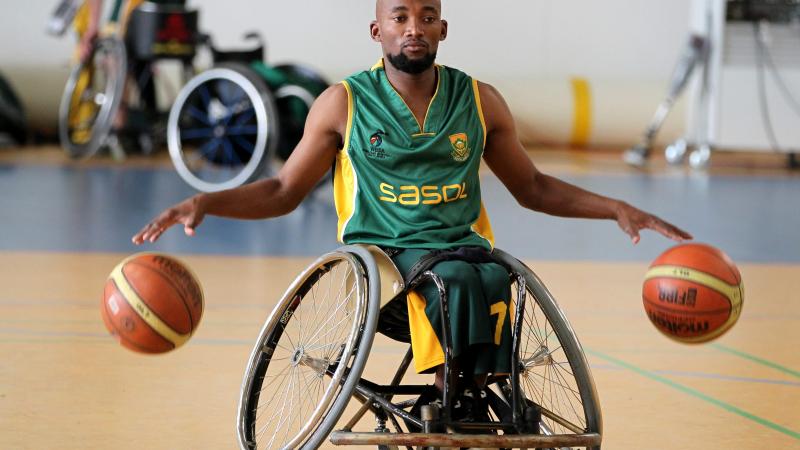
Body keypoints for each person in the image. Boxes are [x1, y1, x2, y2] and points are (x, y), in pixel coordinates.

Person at [133, 0, 692, 424]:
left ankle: (474, 391)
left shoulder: (479, 100)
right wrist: (207, 201)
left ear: (442, 30)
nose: (413, 28)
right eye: (399, 17)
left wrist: (615, 208)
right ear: (377, 31)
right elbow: (283, 189)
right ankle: (457, 398)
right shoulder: (343, 103)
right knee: (450, 278)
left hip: (462, 252)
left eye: (427, 17)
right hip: (384, 263)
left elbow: (534, 187)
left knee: (493, 271)